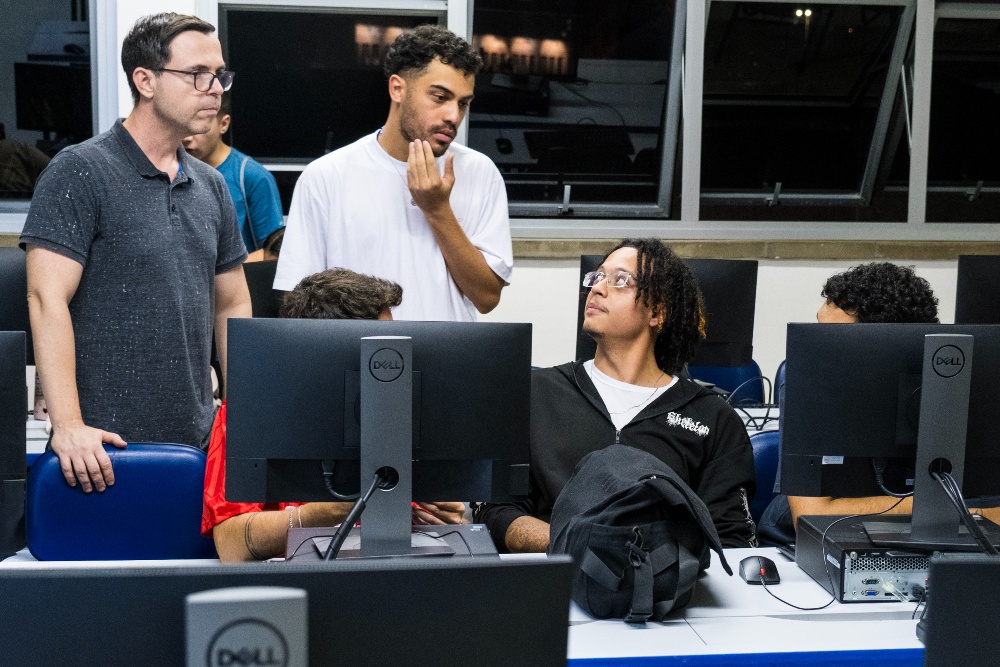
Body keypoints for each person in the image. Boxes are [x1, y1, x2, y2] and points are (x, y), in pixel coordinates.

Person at [20, 13, 251, 494]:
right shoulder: (80, 170)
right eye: (197, 74)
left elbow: (231, 304)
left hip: (198, 447)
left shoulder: (211, 185)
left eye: (219, 75)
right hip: (100, 452)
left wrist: (245, 416)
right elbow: (45, 298)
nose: (215, 89)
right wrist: (69, 425)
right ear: (145, 80)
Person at [475, 239, 757, 552]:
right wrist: (580, 545)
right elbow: (496, 512)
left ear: (657, 312)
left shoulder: (713, 419)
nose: (597, 288)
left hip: (669, 581)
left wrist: (649, 560)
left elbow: (731, 539)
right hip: (553, 575)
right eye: (596, 277)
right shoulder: (535, 393)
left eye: (620, 280)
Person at [202, 268, 466, 561]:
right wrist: (319, 514)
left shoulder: (400, 414)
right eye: (380, 347)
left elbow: (437, 524)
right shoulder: (247, 414)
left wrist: (445, 520)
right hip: (294, 579)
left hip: (387, 572)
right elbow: (232, 546)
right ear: (326, 352)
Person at [274, 24, 512, 321]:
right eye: (440, 97)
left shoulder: (479, 171)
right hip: (358, 348)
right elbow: (298, 305)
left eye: (463, 103)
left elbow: (487, 298)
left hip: (449, 347)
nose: (454, 115)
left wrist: (437, 209)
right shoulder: (326, 176)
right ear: (397, 89)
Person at [757, 262, 941, 546]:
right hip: (802, 546)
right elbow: (811, 518)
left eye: (833, 339)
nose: (818, 349)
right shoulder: (809, 385)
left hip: (920, 545)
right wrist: (945, 509)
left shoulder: (950, 389)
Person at [182, 91, 285, 257]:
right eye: (183, 124)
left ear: (223, 124)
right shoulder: (172, 170)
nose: (186, 137)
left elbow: (272, 253)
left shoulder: (252, 177)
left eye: (199, 125)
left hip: (237, 271)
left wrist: (226, 271)